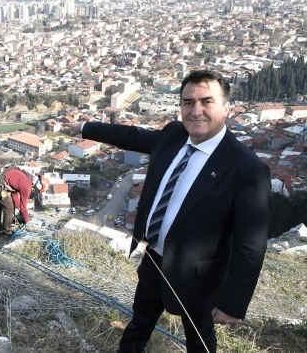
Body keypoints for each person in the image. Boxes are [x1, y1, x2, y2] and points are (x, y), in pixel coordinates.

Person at [68, 69, 271, 352]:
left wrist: (233, 303)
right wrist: (86, 128)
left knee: (199, 340)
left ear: (226, 107)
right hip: (155, 257)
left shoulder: (246, 168)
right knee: (139, 322)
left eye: (206, 102)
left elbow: (251, 244)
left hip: (199, 274)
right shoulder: (175, 135)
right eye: (188, 102)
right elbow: (133, 136)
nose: (196, 111)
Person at [0, 167, 49, 236]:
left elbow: (14, 195)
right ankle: (7, 232)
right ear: (38, 186)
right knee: (9, 208)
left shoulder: (26, 177)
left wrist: (17, 209)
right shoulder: (27, 186)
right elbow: (23, 207)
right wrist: (27, 221)